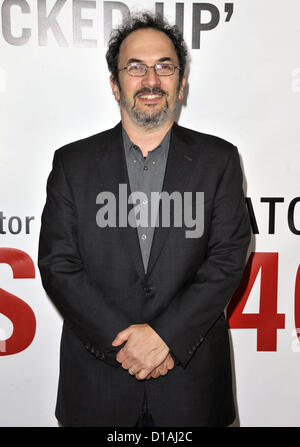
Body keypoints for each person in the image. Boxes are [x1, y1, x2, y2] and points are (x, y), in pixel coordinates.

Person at [38, 12, 251, 427]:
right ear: (115, 84)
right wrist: (125, 343)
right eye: (135, 67)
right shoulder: (72, 164)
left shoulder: (219, 160)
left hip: (191, 386)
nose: (151, 80)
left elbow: (227, 259)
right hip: (98, 386)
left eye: (164, 67)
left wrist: (165, 337)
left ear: (181, 83)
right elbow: (58, 264)